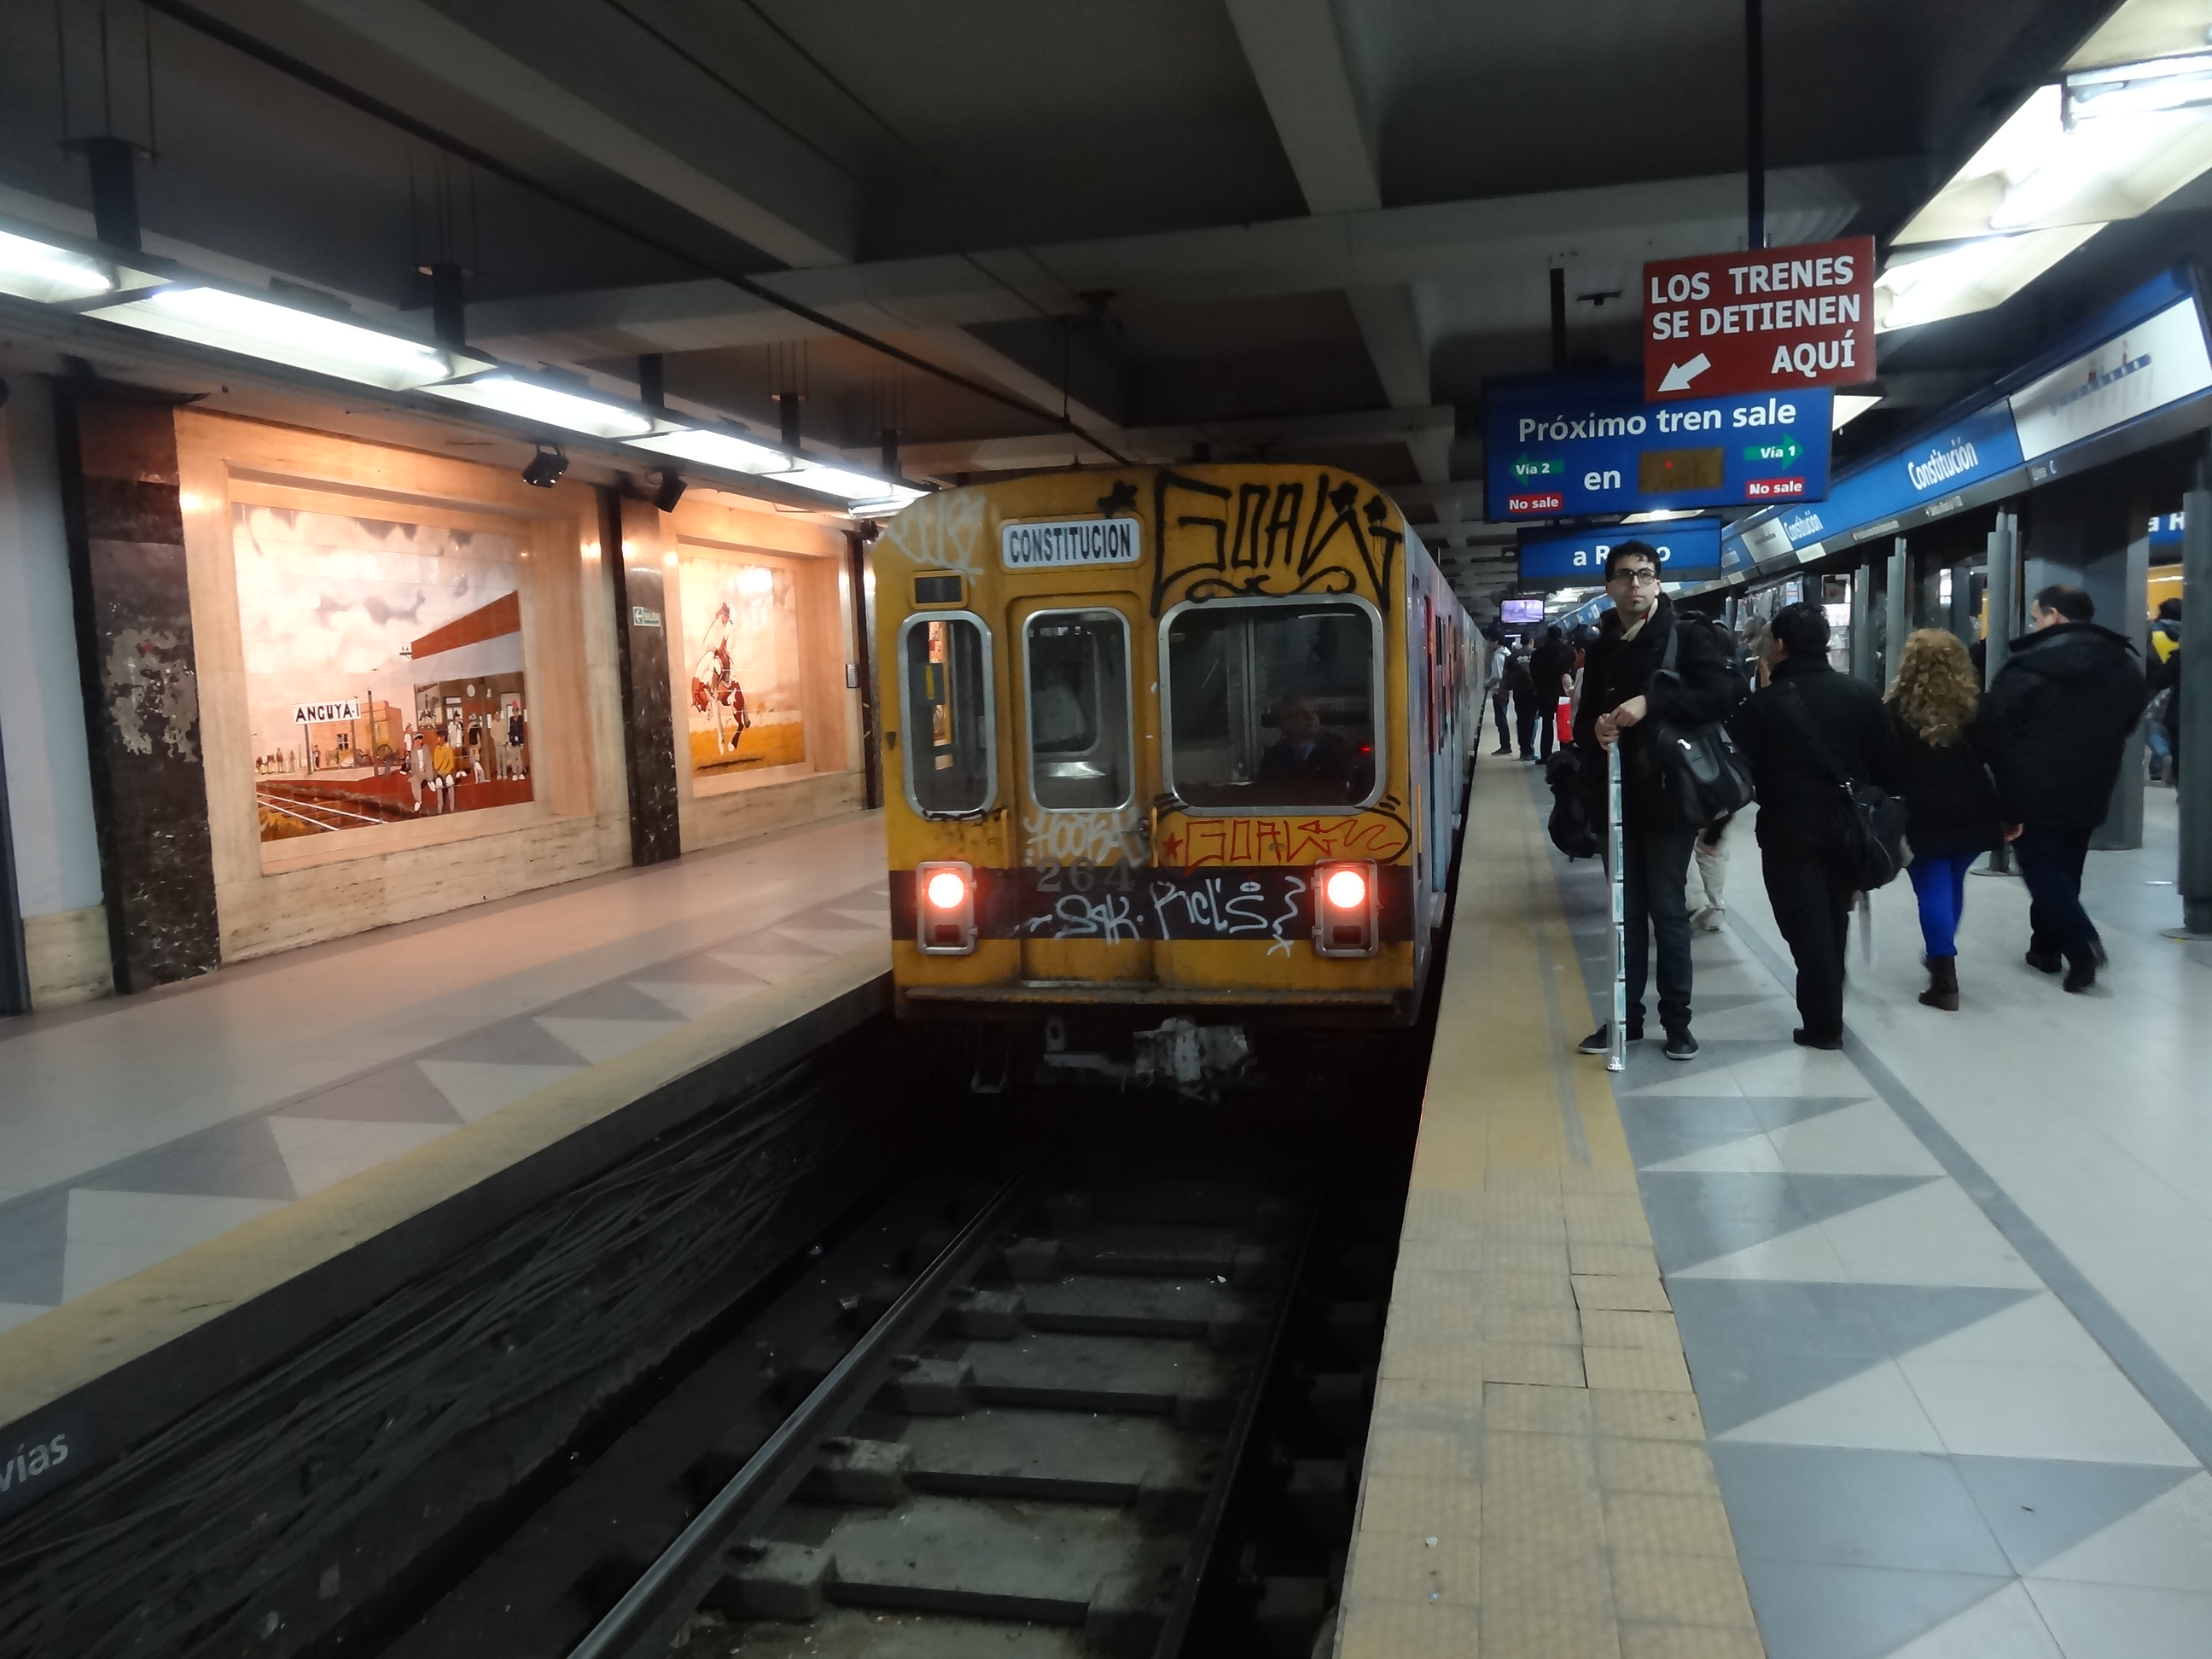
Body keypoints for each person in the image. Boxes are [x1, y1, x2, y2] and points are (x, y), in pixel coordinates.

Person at [1572, 542, 1740, 1061]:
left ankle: (1678, 1023)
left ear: (1659, 582)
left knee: (1667, 910)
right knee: (1624, 912)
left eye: (1645, 575)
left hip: (1669, 798)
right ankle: (1626, 1020)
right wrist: (1595, 729)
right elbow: (1582, 726)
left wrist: (1653, 701)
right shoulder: (1600, 647)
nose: (1636, 585)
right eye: (1625, 576)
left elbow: (1723, 695)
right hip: (1617, 799)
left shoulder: (1686, 636)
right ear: (1609, 585)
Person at [1730, 601, 1896, 1049]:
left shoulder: (1762, 705)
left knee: (1804, 926)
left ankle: (1824, 1024)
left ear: (1780, 646)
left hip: (1789, 831)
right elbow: (1887, 766)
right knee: (1832, 913)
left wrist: (1712, 830)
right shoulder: (1862, 694)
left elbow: (1738, 775)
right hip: (1849, 827)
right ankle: (1829, 988)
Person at [1983, 584, 2149, 992]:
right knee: (2066, 869)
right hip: (2093, 783)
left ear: (2054, 616)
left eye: (2037, 617)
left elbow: (1996, 728)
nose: (2035, 624)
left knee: (2041, 871)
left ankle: (2082, 945)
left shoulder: (2027, 667)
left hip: (2031, 788)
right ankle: (2044, 948)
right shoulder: (2124, 666)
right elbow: (2128, 722)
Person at [1885, 630, 2006, 1011]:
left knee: (1932, 885)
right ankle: (1941, 954)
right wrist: (2013, 810)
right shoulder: (1977, 706)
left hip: (1920, 811)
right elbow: (2001, 761)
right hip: (1974, 807)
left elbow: (1882, 765)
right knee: (1952, 881)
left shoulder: (1894, 710)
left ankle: (1944, 974)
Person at [1256, 696, 1358, 800]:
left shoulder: (1337, 747)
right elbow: (1266, 795)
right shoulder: (1273, 757)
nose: (1310, 717)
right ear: (1282, 723)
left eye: (1314, 712)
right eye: (1298, 714)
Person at [1531, 625, 1576, 760]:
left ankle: (1546, 756)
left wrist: (1540, 687)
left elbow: (1534, 673)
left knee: (1547, 724)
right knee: (1564, 723)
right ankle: (1566, 754)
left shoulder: (1538, 653)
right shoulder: (1569, 651)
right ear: (1561, 635)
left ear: (1547, 635)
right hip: (1564, 693)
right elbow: (1573, 671)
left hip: (1545, 693)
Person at [1499, 640, 1538, 759]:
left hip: (1519, 692)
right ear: (1531, 641)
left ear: (1521, 642)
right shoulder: (1537, 654)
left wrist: (1504, 692)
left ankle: (1524, 750)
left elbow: (1505, 675)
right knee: (1532, 720)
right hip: (1534, 692)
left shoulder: (1513, 656)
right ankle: (1530, 749)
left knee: (1521, 720)